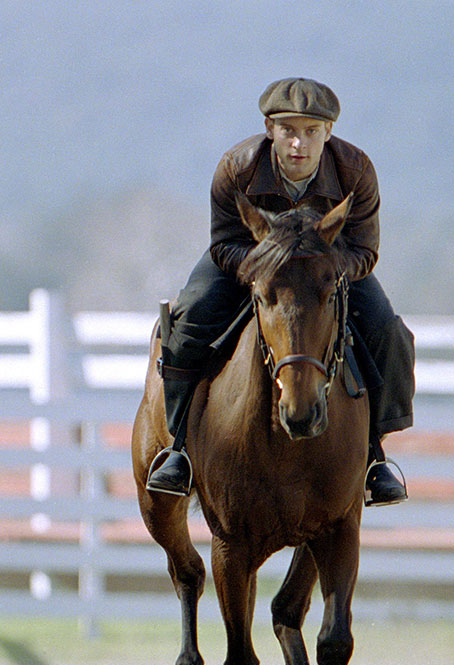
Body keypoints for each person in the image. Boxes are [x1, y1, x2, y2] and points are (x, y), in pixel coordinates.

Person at [146, 77, 415, 506]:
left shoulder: (357, 171)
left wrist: (322, 271)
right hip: (250, 264)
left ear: (328, 133)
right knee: (189, 316)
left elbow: (365, 251)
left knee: (387, 330)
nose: (299, 144)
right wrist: (266, 269)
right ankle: (177, 449)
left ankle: (375, 457)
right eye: (289, 130)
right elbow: (222, 244)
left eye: (311, 132)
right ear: (270, 128)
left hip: (327, 270)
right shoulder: (236, 167)